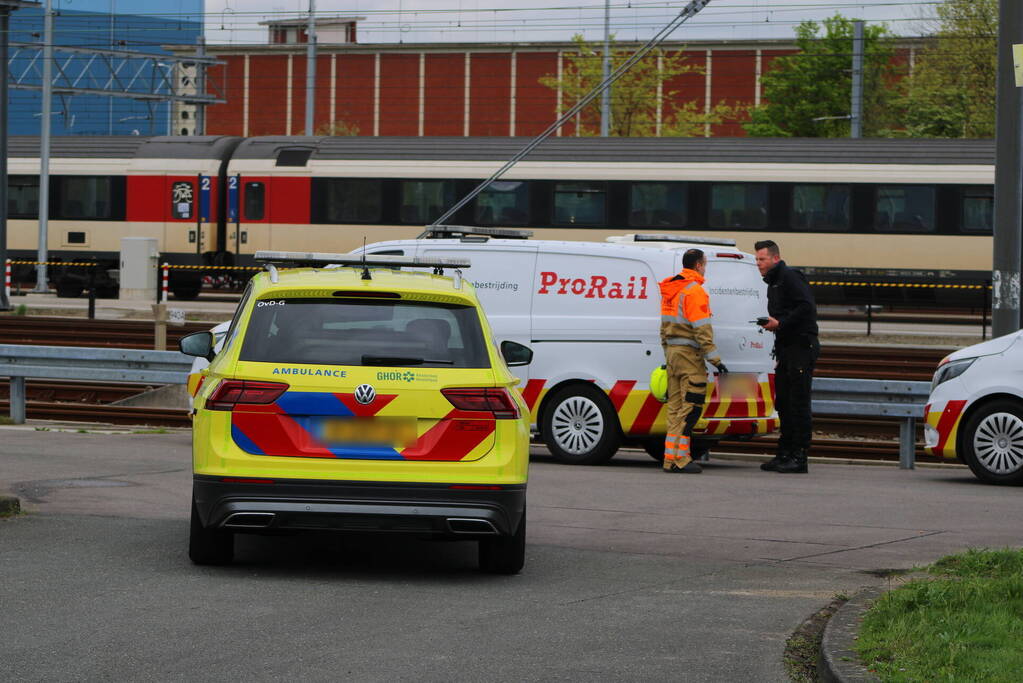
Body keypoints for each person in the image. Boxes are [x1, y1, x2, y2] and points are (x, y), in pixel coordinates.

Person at [658, 248, 728, 474]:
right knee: (691, 408)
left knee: (675, 409)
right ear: (698, 265)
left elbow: (663, 327)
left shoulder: (671, 289)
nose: (705, 268)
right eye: (704, 264)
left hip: (673, 355)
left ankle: (671, 459)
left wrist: (668, 351)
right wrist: (715, 359)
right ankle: (680, 460)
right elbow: (702, 329)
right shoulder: (694, 291)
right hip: (689, 357)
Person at [754, 240, 819, 474]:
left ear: (775, 258)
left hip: (800, 346)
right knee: (783, 401)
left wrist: (780, 323)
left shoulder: (790, 277)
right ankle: (784, 453)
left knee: (798, 402)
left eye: (761, 259)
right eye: (757, 259)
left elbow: (806, 307)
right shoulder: (774, 282)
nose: (758, 263)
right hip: (786, 348)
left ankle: (799, 456)